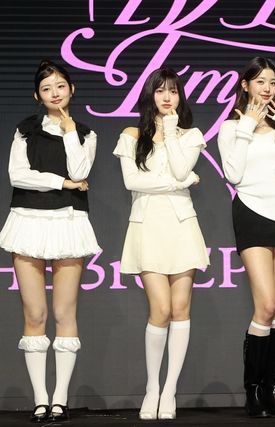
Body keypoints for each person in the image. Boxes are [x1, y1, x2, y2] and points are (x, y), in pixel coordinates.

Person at [0, 59, 100, 422]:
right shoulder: (25, 131)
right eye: (46, 89)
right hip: (28, 221)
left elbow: (81, 170)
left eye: (60, 86)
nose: (54, 93)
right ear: (37, 96)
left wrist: (70, 131)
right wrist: (63, 183)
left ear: (71, 89)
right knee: (35, 314)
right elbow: (18, 175)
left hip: (69, 221)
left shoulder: (86, 134)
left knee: (64, 313)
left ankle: (60, 399)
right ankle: (40, 399)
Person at [113, 66, 208, 419]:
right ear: (149, 94)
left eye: (173, 90)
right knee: (161, 309)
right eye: (160, 90)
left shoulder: (191, 135)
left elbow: (181, 169)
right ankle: (152, 386)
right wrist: (180, 182)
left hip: (182, 225)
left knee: (181, 309)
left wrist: (170, 130)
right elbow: (131, 182)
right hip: (147, 225)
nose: (167, 97)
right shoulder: (131, 134)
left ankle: (169, 391)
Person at [218, 57, 275, 418]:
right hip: (252, 212)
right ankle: (253, 392)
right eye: (260, 81)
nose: (267, 88)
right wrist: (246, 126)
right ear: (245, 85)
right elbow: (233, 174)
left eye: (272, 81)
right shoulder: (231, 127)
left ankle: (272, 391)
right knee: (266, 305)